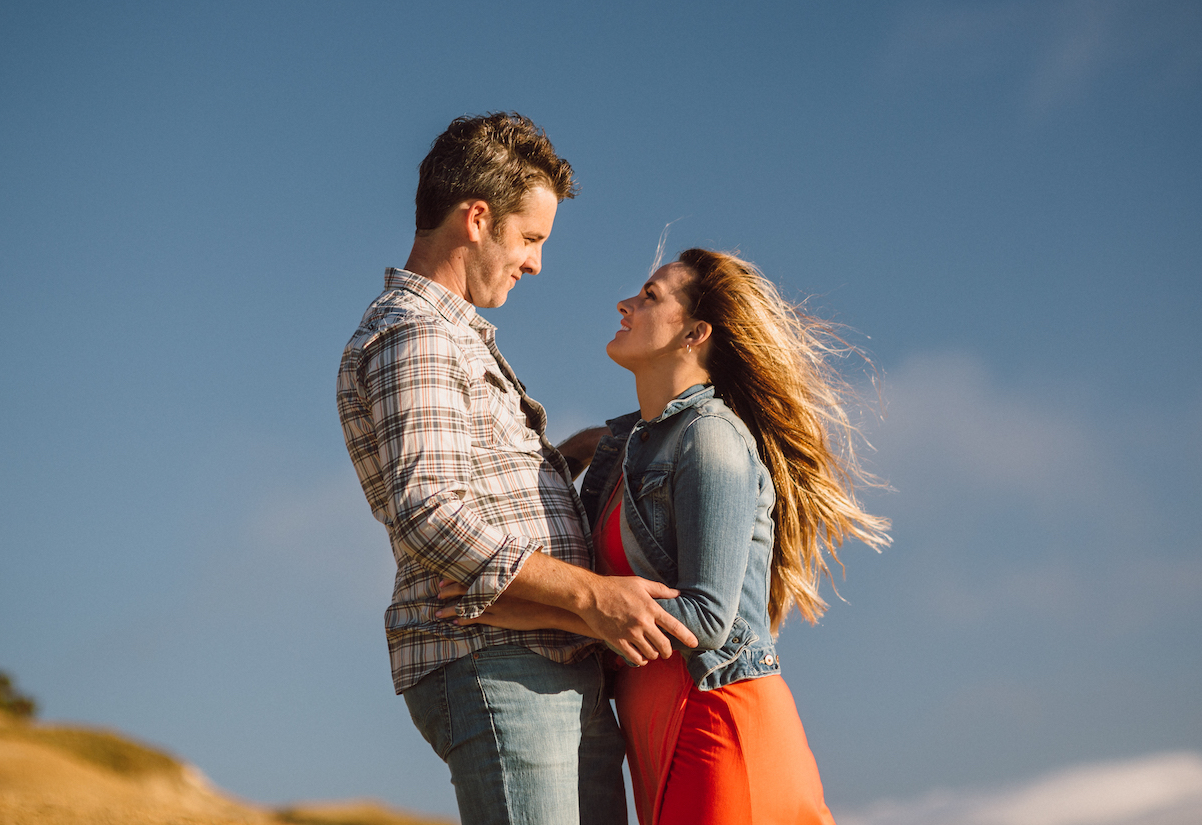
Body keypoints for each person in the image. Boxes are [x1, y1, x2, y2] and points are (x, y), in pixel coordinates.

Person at [441, 248, 891, 824]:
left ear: (695, 333)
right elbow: (607, 450)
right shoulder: (632, 445)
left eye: (650, 297)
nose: (625, 304)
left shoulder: (712, 439)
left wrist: (536, 610)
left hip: (718, 726)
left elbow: (704, 621)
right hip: (658, 731)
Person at [336, 113, 697, 825]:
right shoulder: (416, 334)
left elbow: (456, 476)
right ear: (476, 218)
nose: (535, 263)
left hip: (537, 664)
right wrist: (593, 595)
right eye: (530, 239)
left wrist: (564, 457)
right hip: (497, 663)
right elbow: (429, 511)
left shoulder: (444, 336)